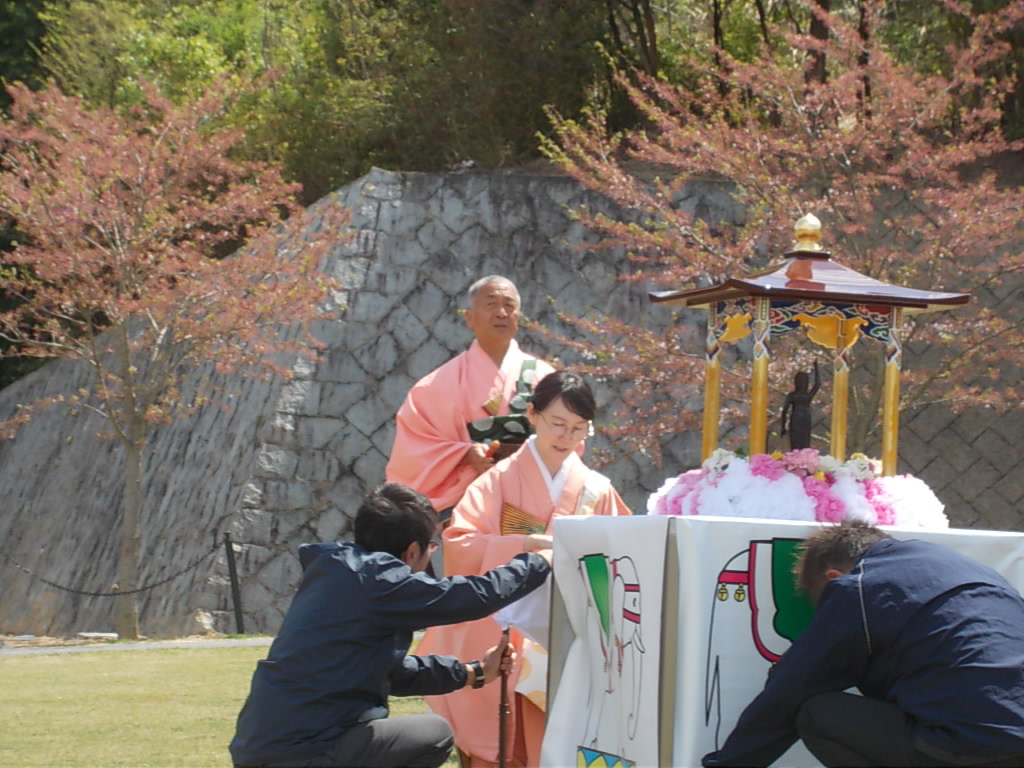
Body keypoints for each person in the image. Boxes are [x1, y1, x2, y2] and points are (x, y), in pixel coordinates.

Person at [229, 482, 551, 768]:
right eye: (431, 548)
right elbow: (473, 597)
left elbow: (391, 672)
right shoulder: (382, 582)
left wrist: (475, 672)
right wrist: (538, 562)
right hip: (307, 750)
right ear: (413, 552)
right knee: (434, 734)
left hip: (258, 746)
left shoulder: (336, 573)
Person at [418, 370, 632, 768]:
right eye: (557, 424)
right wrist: (521, 545)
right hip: (502, 625)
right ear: (533, 415)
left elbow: (625, 554)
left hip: (566, 631)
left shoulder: (597, 489)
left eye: (578, 428)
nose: (566, 437)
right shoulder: (496, 481)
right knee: (499, 736)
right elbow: (460, 543)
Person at [702, 520, 1024, 767]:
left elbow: (789, 690)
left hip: (967, 745)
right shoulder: (977, 573)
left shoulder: (856, 586)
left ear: (833, 577)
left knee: (816, 714)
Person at [386, 275, 555, 522]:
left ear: (518, 317)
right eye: (491, 304)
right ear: (469, 318)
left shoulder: (545, 379)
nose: (501, 312)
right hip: (463, 508)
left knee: (528, 558)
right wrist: (465, 454)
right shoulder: (436, 386)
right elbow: (414, 449)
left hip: (530, 504)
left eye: (509, 305)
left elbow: (569, 437)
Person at [780, 360, 820, 450]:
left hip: (800, 419)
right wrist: (816, 368)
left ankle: (800, 457)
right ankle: (799, 457)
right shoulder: (803, 395)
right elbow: (817, 384)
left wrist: (783, 427)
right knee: (800, 440)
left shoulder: (796, 395)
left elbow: (784, 411)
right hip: (801, 418)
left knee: (800, 441)